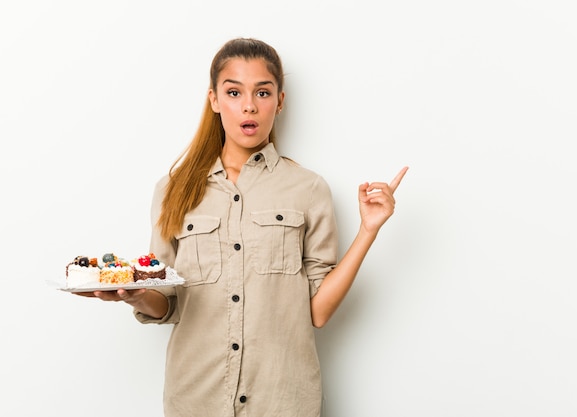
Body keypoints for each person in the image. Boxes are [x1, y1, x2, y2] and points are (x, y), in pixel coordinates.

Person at [80, 37, 408, 417]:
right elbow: (166, 302)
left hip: (283, 400)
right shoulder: (173, 189)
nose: (249, 105)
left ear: (280, 101)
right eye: (234, 92)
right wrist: (134, 295)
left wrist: (369, 230)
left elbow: (318, 312)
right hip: (196, 400)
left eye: (263, 92)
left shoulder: (309, 189)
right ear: (214, 100)